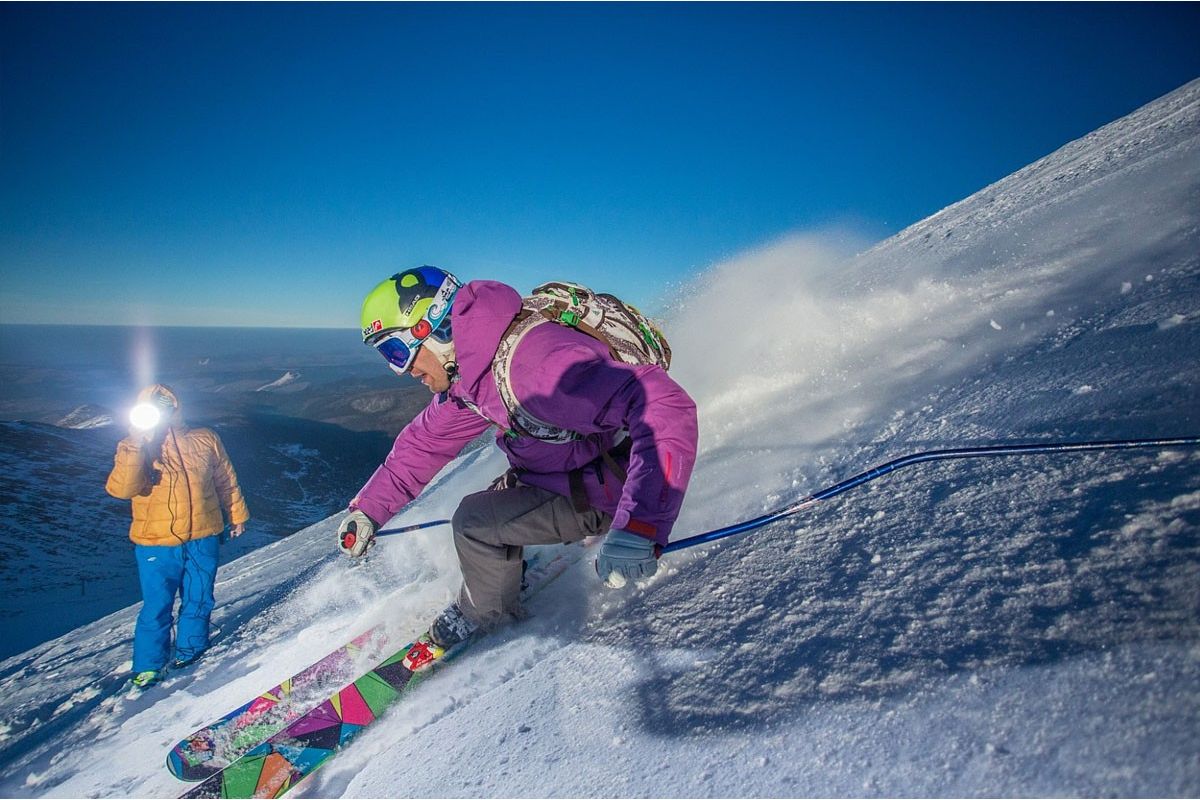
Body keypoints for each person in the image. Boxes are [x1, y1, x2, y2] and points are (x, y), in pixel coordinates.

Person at [338, 266, 697, 671]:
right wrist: (368, 510)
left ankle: (488, 617)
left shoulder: (535, 369)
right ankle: (501, 572)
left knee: (474, 523)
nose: (402, 371)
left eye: (396, 352)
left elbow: (665, 407)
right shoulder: (479, 367)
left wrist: (640, 526)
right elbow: (425, 443)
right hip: (571, 468)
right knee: (492, 501)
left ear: (434, 329)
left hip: (609, 492)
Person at [105, 383, 249, 689]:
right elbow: (122, 489)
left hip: (203, 536)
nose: (162, 412)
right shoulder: (134, 446)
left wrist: (237, 515)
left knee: (199, 598)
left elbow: (226, 479)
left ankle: (191, 651)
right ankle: (148, 666)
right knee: (157, 606)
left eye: (166, 405)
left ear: (175, 407)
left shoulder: (205, 438)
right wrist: (137, 441)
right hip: (156, 543)